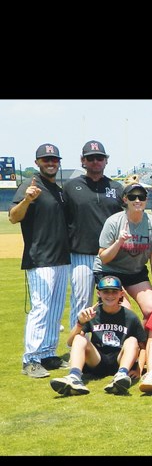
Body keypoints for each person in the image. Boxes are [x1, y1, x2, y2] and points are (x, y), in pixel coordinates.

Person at [10, 143, 70, 378]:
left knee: (54, 311)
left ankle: (48, 354)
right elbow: (13, 217)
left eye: (54, 159)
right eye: (46, 159)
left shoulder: (58, 189)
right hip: (40, 258)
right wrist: (27, 200)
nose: (50, 163)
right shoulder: (30, 185)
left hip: (61, 258)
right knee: (41, 308)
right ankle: (31, 359)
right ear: (37, 162)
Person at [62, 141, 125, 332]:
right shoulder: (71, 187)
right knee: (81, 301)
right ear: (83, 161)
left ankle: (111, 345)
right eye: (90, 158)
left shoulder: (116, 187)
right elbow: (63, 220)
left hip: (110, 255)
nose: (95, 161)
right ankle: (77, 346)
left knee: (113, 300)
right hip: (81, 254)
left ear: (106, 161)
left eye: (99, 158)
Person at [49, 275, 146, 396]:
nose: (110, 295)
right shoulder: (92, 314)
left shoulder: (130, 316)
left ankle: (121, 375)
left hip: (120, 360)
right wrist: (80, 323)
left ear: (121, 294)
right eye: (106, 291)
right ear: (99, 293)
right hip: (97, 360)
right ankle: (74, 377)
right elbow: (70, 342)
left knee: (132, 340)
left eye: (114, 292)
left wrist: (139, 369)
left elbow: (143, 347)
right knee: (79, 337)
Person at [94, 181, 152, 321]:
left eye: (141, 196)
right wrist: (119, 241)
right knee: (124, 311)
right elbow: (104, 258)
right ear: (125, 199)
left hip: (135, 273)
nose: (137, 200)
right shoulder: (113, 222)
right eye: (132, 197)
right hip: (109, 270)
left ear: (146, 199)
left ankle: (145, 342)